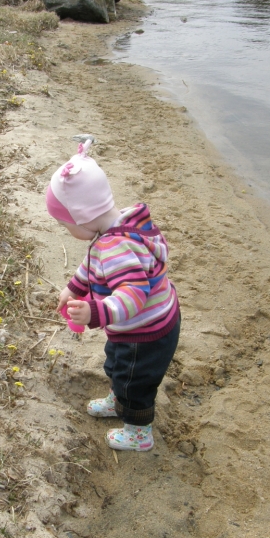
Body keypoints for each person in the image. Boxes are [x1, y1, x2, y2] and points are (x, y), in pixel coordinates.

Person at [47, 138, 180, 451]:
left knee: (135, 381)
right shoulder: (117, 225)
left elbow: (133, 295)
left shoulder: (116, 247)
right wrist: (74, 287)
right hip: (136, 326)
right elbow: (92, 264)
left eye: (66, 226)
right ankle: (117, 397)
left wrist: (95, 312)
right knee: (117, 364)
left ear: (82, 217)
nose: (68, 232)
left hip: (146, 333)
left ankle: (139, 433)